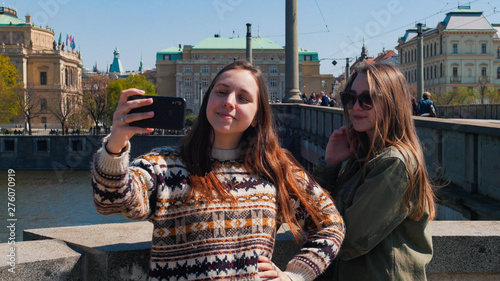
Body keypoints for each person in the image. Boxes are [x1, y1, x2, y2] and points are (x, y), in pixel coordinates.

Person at [91, 61, 345, 281]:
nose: (229, 102)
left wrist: (294, 274)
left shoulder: (275, 169)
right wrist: (116, 144)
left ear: (258, 115)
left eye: (243, 98)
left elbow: (331, 225)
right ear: (207, 101)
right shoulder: (165, 165)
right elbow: (110, 201)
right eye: (221, 92)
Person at [314, 63, 435, 281]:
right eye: (351, 98)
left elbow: (348, 239)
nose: (356, 107)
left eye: (368, 98)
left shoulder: (394, 164)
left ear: (391, 103)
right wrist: (330, 164)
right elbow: (311, 214)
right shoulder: (361, 158)